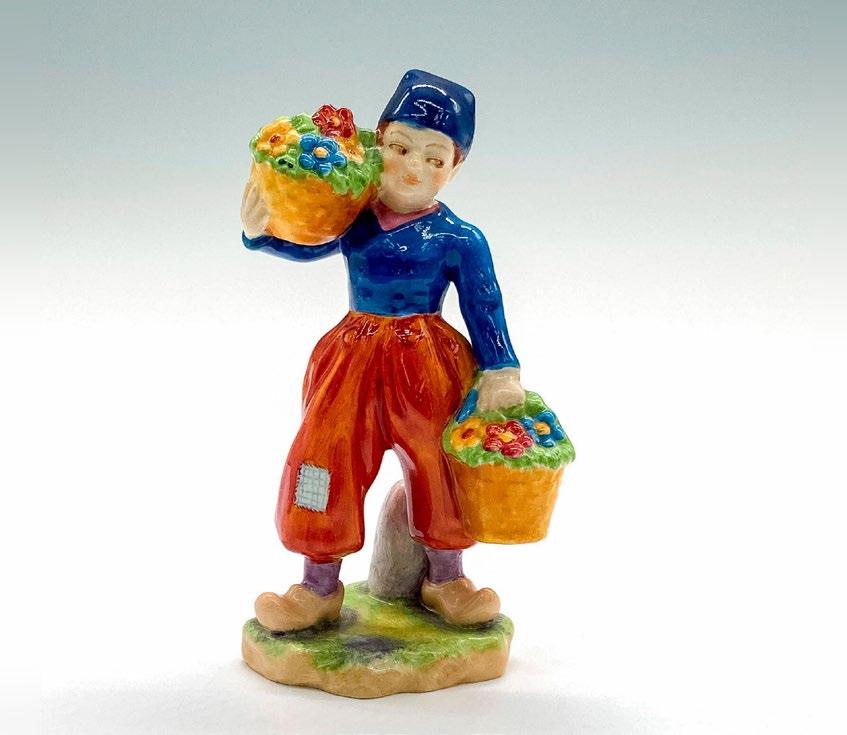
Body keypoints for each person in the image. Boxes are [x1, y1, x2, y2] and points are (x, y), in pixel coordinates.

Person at [241, 69, 525, 632]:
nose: (414, 167)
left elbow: (484, 304)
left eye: (434, 158)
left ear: (454, 168)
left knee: (441, 462)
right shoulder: (357, 215)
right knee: (325, 456)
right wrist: (262, 232)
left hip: (429, 363)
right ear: (376, 145)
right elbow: (311, 245)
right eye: (400, 148)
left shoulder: (460, 238)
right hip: (353, 358)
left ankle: (446, 577)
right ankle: (317, 584)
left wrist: (500, 368)